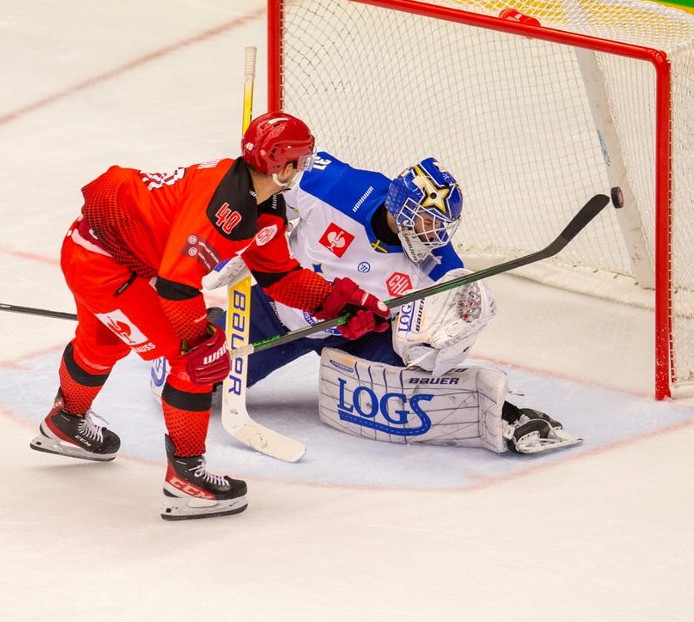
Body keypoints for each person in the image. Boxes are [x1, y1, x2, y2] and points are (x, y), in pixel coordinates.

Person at [29, 111, 390, 520]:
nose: (304, 167)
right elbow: (175, 286)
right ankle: (187, 481)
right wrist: (199, 339)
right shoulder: (226, 208)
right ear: (283, 163)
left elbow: (279, 276)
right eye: (301, 160)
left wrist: (343, 304)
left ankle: (65, 422)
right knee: (195, 362)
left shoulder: (264, 202)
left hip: (107, 250)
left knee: (103, 342)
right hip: (106, 264)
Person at [186, 152, 580, 455]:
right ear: (399, 206)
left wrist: (443, 338)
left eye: (441, 225)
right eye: (426, 221)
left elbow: (441, 326)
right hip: (275, 312)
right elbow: (261, 188)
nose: (434, 235)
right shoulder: (334, 184)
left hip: (355, 336)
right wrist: (241, 237)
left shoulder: (440, 263)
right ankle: (213, 322)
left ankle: (508, 417)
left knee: (415, 381)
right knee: (198, 383)